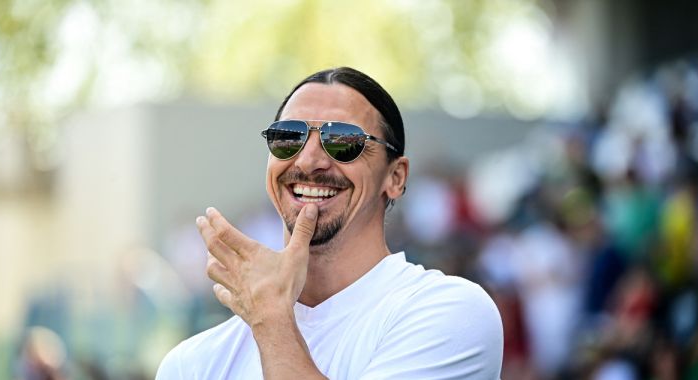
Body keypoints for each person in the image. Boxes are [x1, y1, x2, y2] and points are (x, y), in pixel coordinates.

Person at [156, 67, 503, 379]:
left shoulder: (451, 314)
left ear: (395, 177)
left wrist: (271, 318)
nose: (308, 161)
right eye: (288, 137)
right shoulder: (193, 364)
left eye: (343, 141)